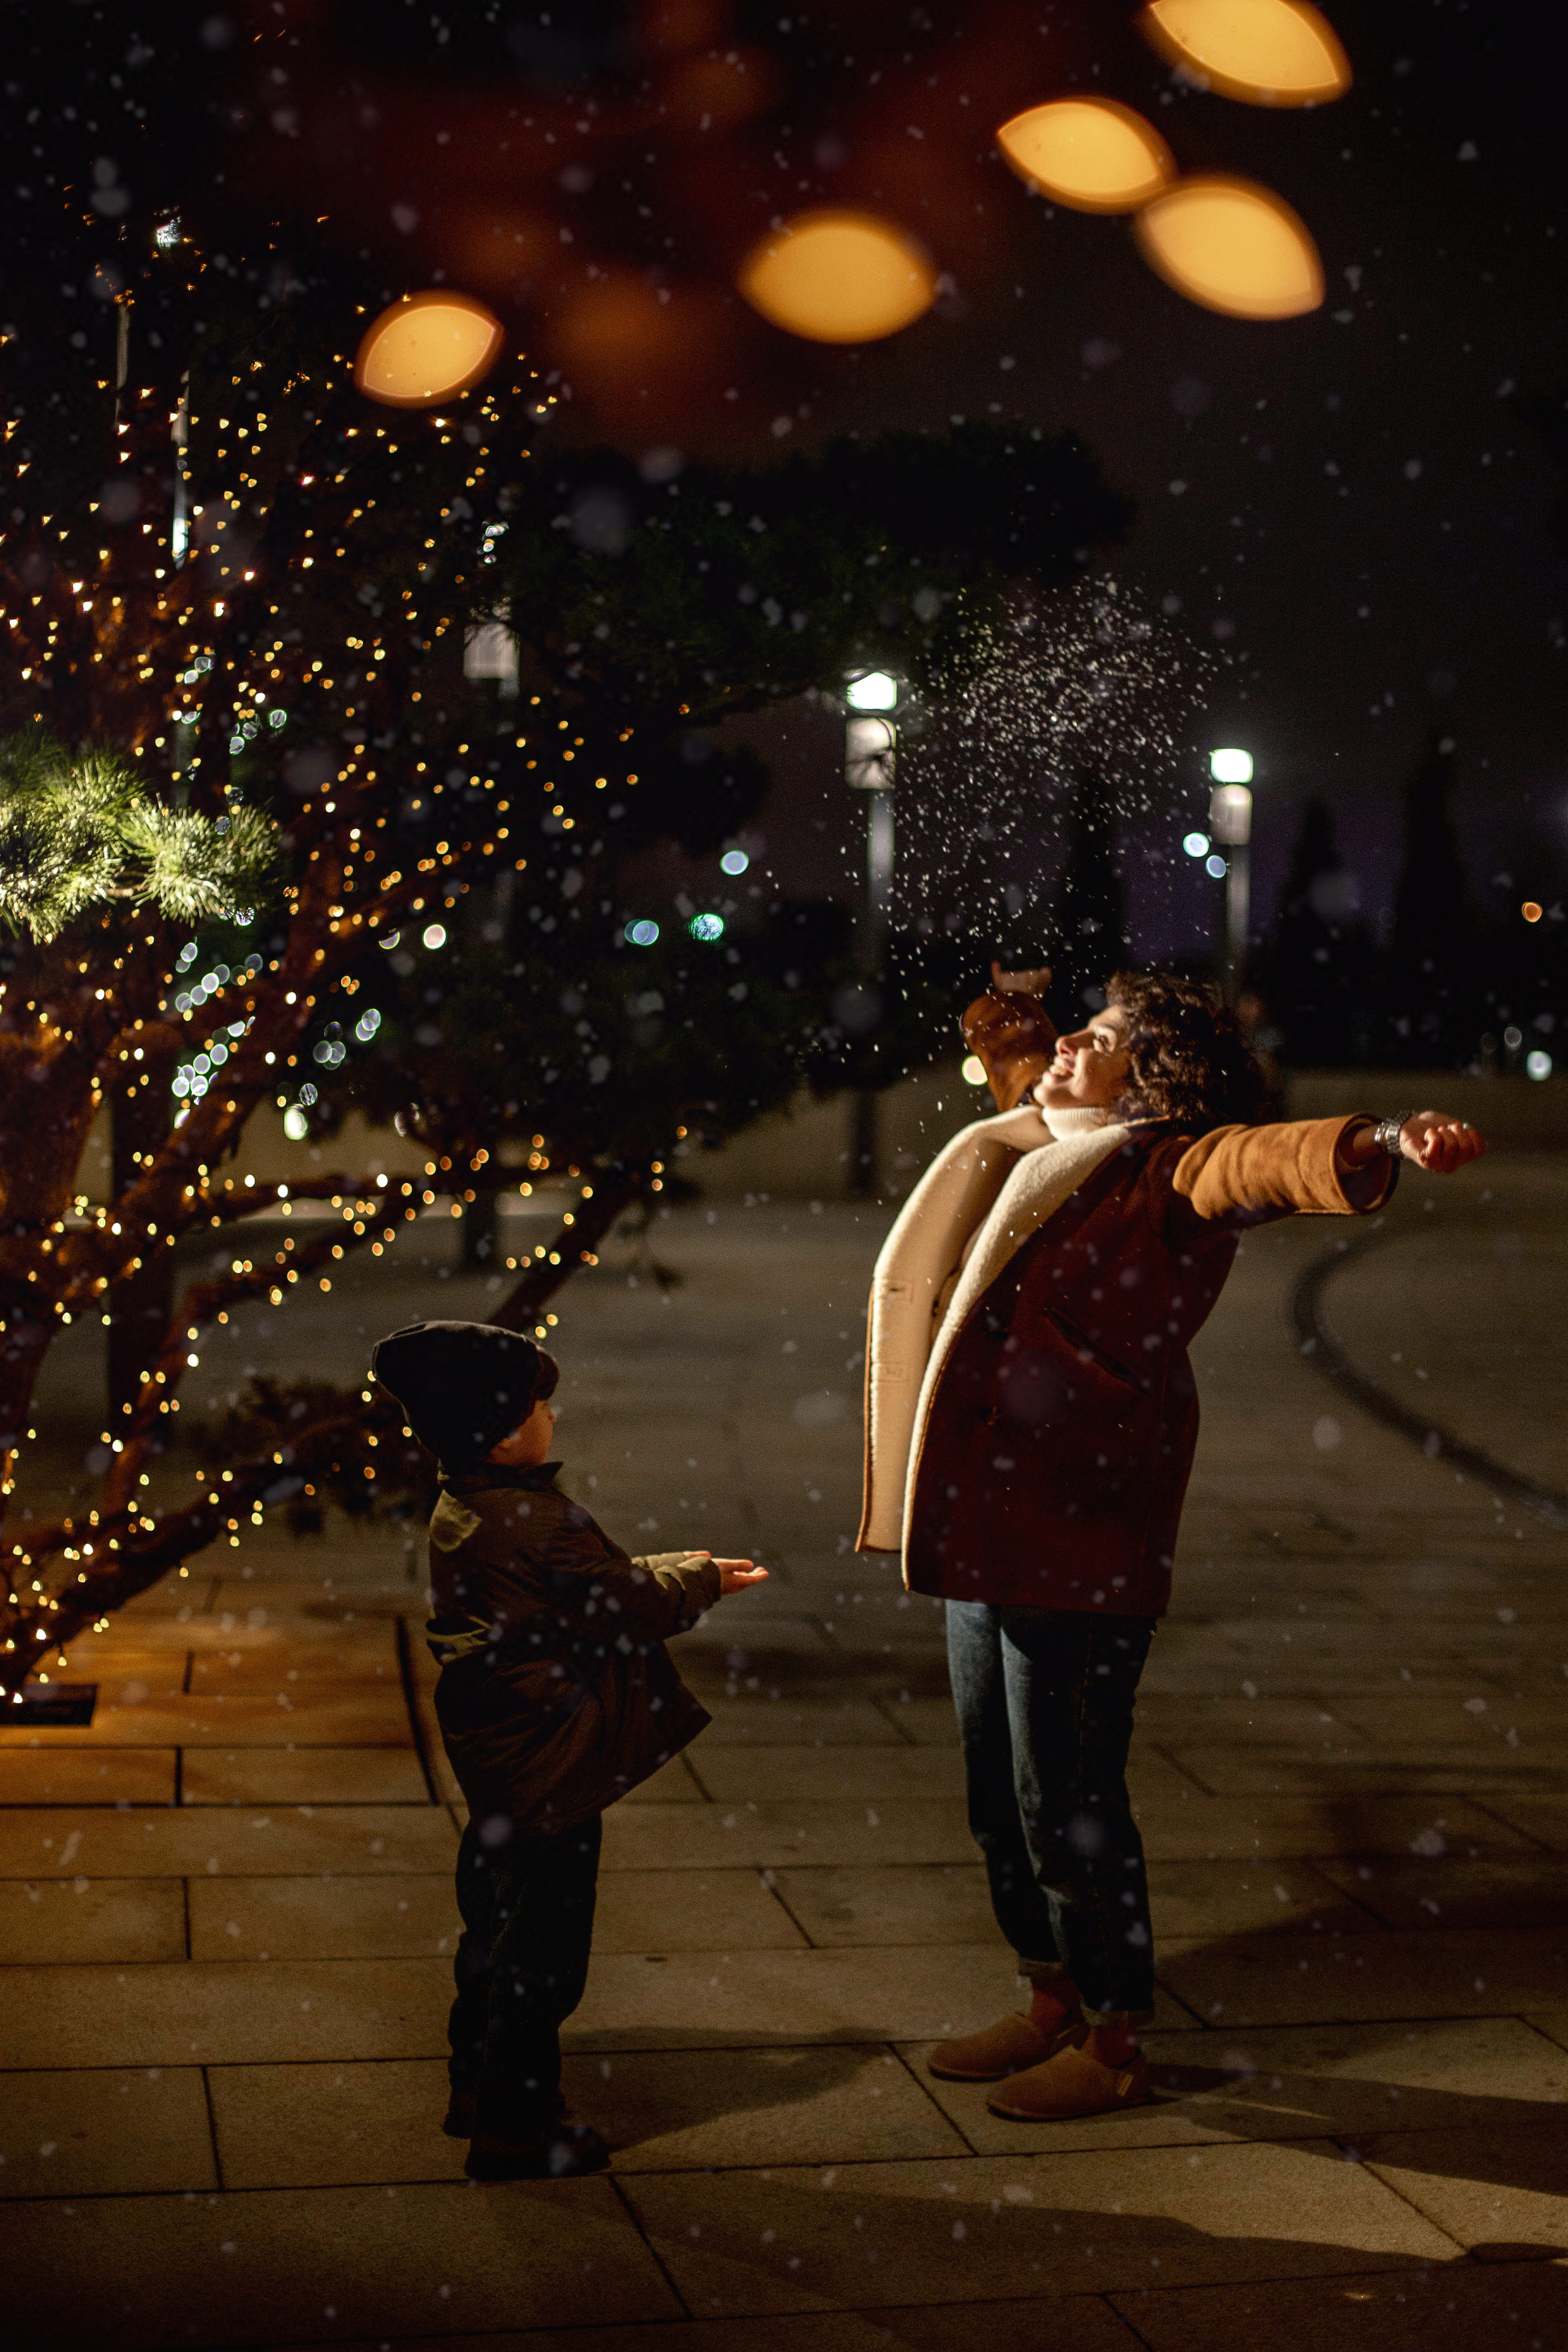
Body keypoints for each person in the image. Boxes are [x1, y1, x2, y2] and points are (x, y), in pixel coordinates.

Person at [858, 963, 1486, 2123]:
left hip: (1077, 1524)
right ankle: (1045, 1994)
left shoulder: (1166, 1167)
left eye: (1096, 1040)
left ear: (1152, 1076)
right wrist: (1014, 1004)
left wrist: (1386, 1137)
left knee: (1067, 1799)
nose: (1062, 1052)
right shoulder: (1047, 1135)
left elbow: (1265, 1159)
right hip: (984, 1519)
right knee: (996, 1790)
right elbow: (1016, 1053)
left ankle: (1113, 2037)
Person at [371, 1316, 767, 2180]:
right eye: (544, 1406)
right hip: (552, 1762)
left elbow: (587, 1589)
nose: (554, 1418)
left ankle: (475, 2081)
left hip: (501, 1759)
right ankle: (518, 2123)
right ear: (508, 1430)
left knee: (494, 1924)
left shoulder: (464, 1502)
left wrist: (673, 1565)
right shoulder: (535, 1518)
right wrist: (700, 1579)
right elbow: (618, 1601)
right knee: (541, 1952)